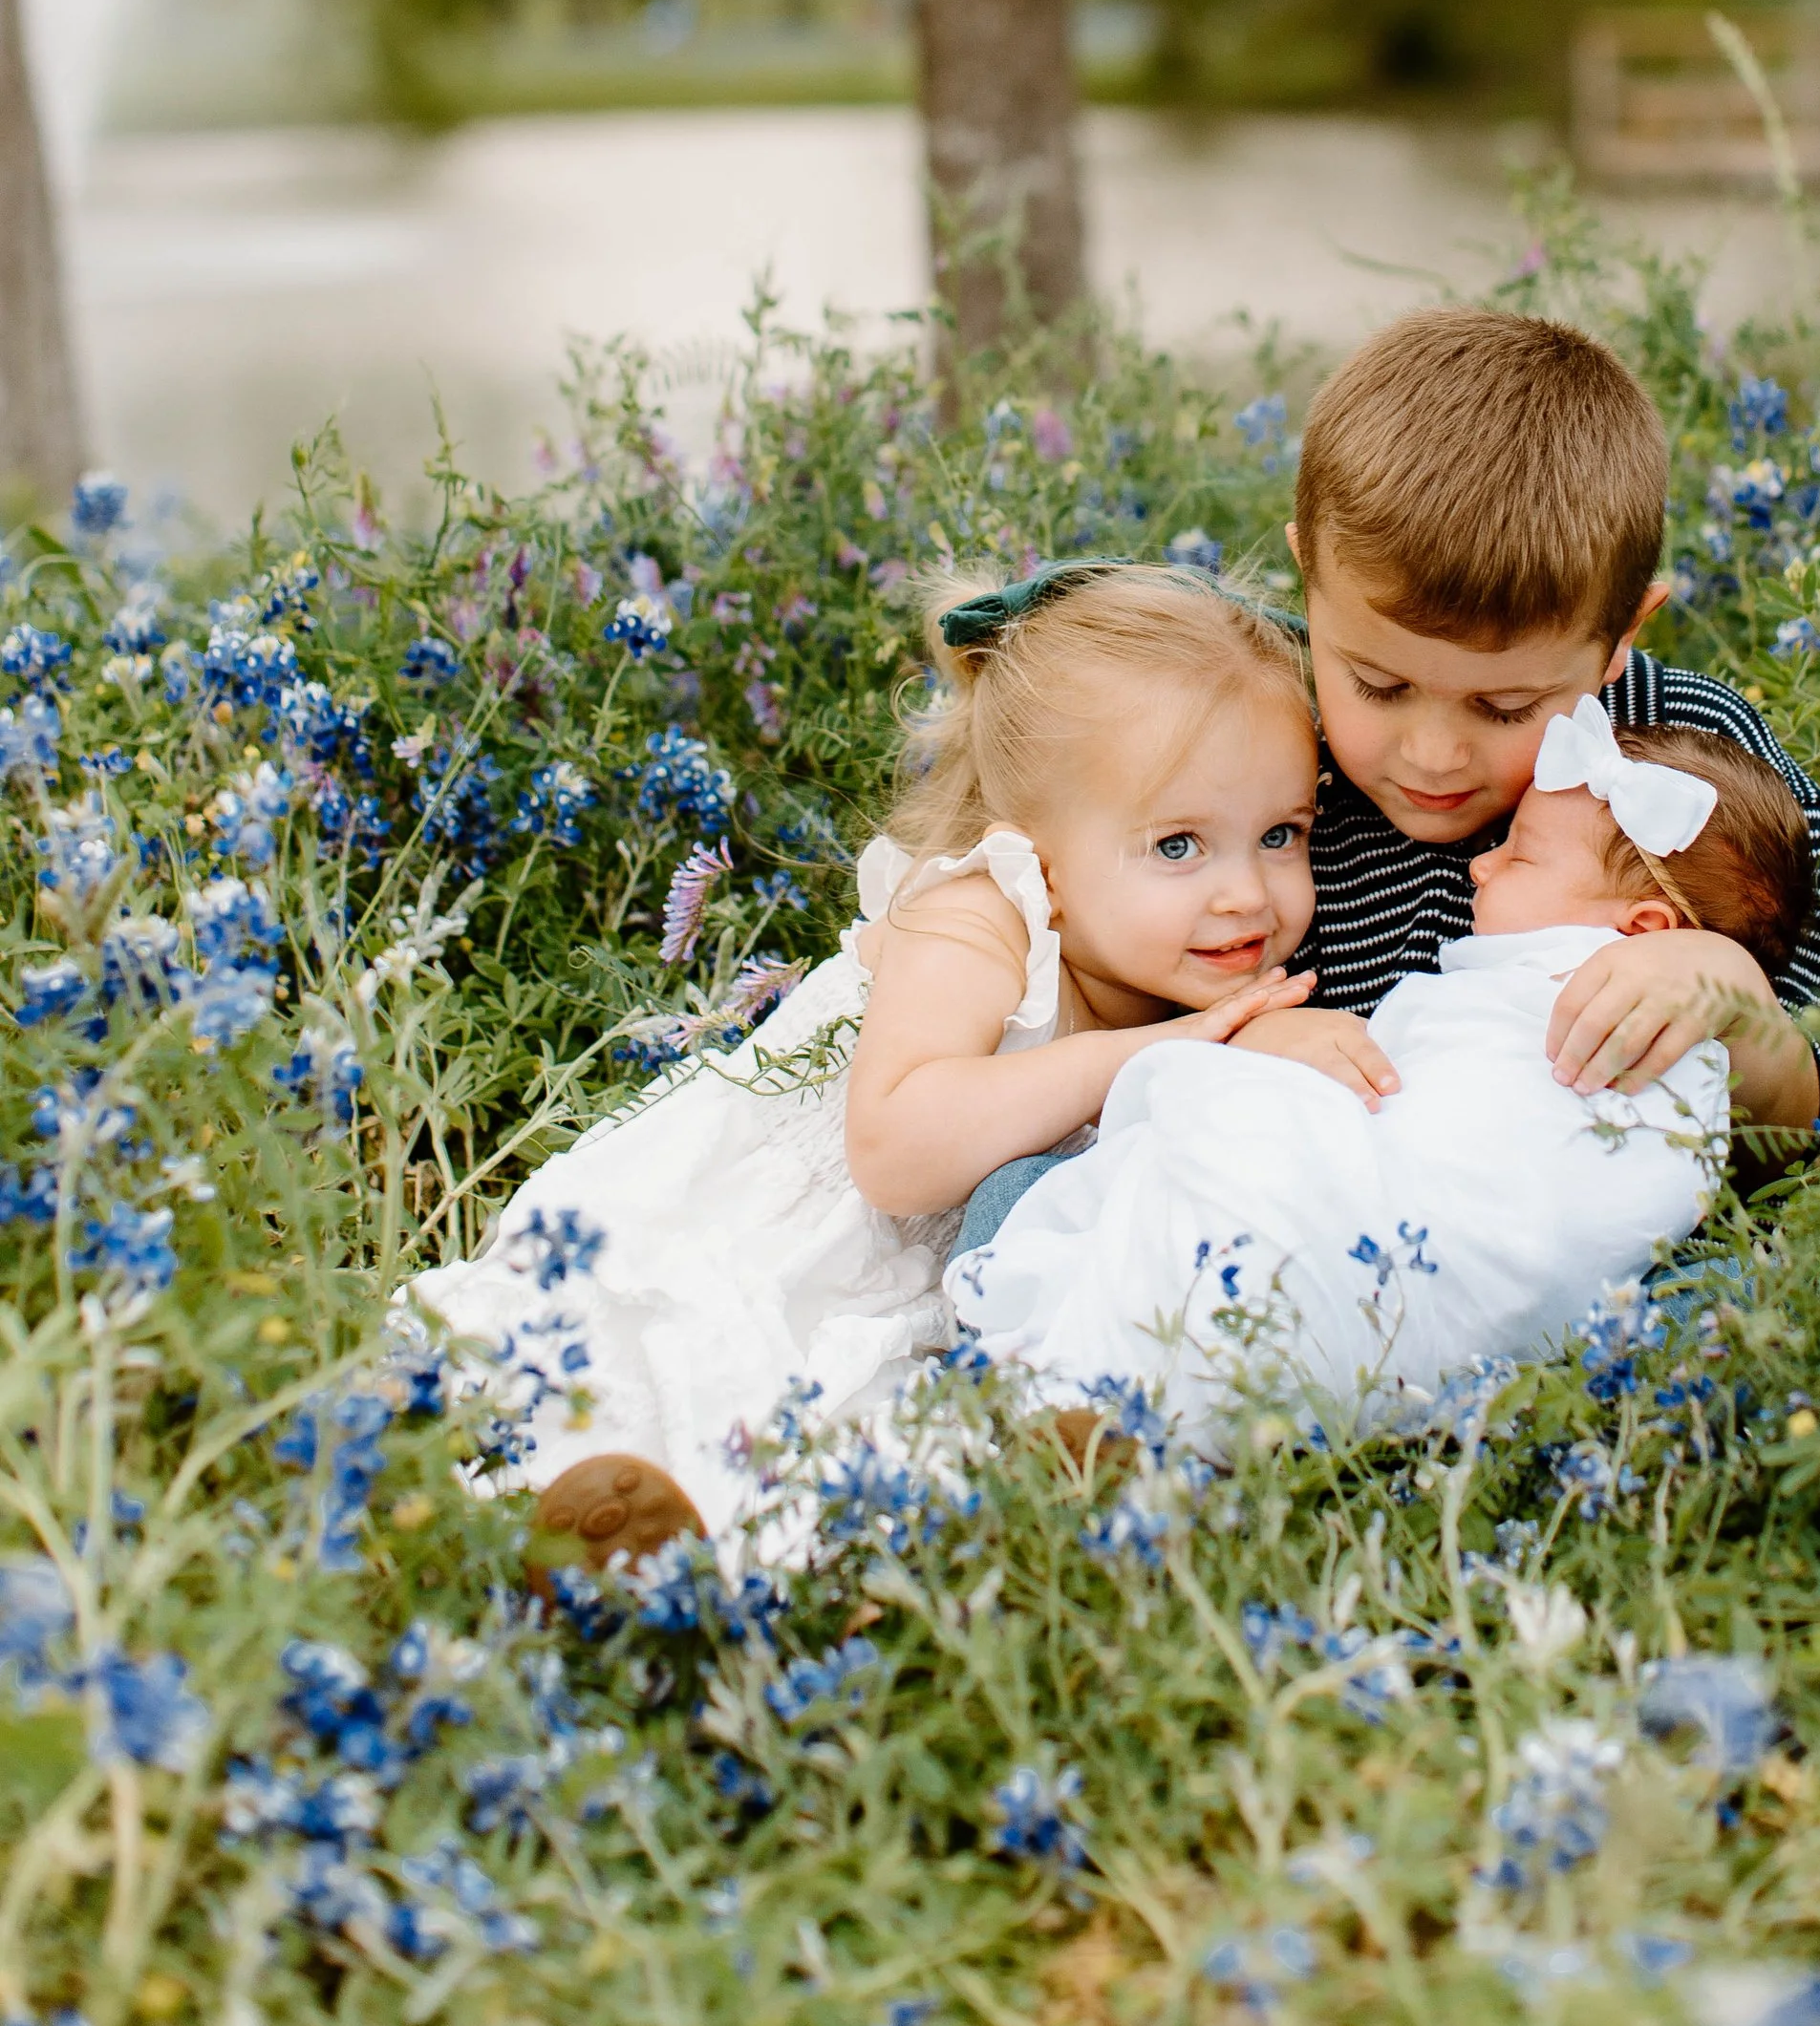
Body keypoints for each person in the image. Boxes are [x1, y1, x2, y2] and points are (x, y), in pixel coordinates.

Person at [409, 563, 1328, 1568]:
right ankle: (591, 1515)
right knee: (673, 1367)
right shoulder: (983, 916)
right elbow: (895, 1150)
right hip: (772, 1237)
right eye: (1179, 845)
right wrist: (1150, 1053)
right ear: (1038, 851)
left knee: (881, 1454)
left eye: (1281, 834)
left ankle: (731, 1563)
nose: (1249, 893)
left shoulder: (1186, 972)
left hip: (920, 1303)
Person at [952, 304, 1820, 1255]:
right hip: (1307, 1232)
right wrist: (1230, 1050)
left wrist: (1733, 1006)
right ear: (1308, 578)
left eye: (1503, 707)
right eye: (1378, 685)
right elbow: (1135, 996)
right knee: (1022, 1202)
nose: (1431, 754)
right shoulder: (1261, 757)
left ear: (1620, 637)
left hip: (1584, 1251)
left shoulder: (1690, 761)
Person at [947, 693, 1813, 1430]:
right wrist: (1261, 1050)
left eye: (1519, 855)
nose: (1481, 866)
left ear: (1643, 930)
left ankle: (1105, 1382)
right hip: (1444, 1307)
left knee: (1062, 1202)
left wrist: (1729, 985)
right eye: (1382, 683)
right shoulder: (1260, 738)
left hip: (1391, 1250)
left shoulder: (1625, 987)